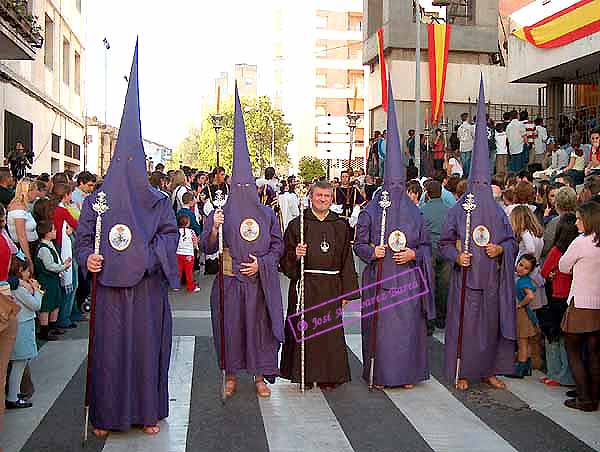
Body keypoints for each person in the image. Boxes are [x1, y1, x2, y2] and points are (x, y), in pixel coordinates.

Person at [75, 45, 180, 435]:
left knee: (144, 350)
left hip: (147, 292)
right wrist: (88, 259)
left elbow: (170, 237)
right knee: (109, 353)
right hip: (110, 294)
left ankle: (147, 411)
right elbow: (84, 239)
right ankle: (106, 416)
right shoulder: (98, 200)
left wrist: (147, 260)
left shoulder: (158, 202)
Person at [200, 86, 284, 398]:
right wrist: (213, 230)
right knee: (231, 331)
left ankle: (260, 376)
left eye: (249, 183)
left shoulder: (266, 212)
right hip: (230, 283)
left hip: (257, 284)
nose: (244, 188)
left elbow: (277, 247)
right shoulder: (219, 211)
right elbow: (207, 248)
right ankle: (231, 374)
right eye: (239, 184)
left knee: (258, 333)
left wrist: (261, 264)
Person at [353, 81, 435, 388]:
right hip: (379, 281)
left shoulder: (415, 213)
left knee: (406, 334)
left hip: (407, 283)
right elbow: (359, 243)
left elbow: (427, 246)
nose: (396, 191)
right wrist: (370, 252)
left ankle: (406, 374)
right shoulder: (371, 210)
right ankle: (381, 374)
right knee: (381, 333)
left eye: (400, 186)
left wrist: (415, 254)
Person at [439, 79, 517, 390]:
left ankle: (490, 370)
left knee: (490, 327)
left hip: (492, 281)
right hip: (467, 281)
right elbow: (444, 242)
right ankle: (463, 371)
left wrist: (501, 250)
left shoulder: (498, 211)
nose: (482, 189)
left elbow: (510, 240)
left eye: (487, 185)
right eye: (479, 184)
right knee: (466, 328)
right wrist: (457, 256)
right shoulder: (458, 209)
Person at [280, 180, 358, 389]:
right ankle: (303, 374)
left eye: (327, 196)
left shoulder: (340, 226)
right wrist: (295, 255)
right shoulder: (298, 225)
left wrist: (346, 294)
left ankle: (328, 376)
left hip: (331, 286)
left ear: (331, 199)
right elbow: (284, 260)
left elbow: (346, 261)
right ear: (310, 197)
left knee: (328, 333)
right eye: (319, 196)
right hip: (305, 285)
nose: (323, 199)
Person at [559, 201, 600, 412]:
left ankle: (584, 398)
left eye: (578, 218)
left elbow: (563, 266)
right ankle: (593, 395)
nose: (576, 223)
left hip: (580, 303)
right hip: (597, 304)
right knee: (594, 353)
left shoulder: (581, 242)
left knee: (573, 351)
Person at [539, 213, 577, 387]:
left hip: (556, 295)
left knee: (553, 336)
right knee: (566, 338)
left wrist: (553, 274)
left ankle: (556, 374)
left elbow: (544, 272)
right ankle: (567, 375)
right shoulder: (577, 249)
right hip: (571, 297)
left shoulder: (557, 251)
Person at [6, 254, 41, 409]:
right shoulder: (20, 289)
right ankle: (12, 396)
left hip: (22, 325)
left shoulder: (17, 287)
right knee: (19, 362)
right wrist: (37, 291)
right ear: (20, 270)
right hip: (23, 326)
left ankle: (14, 392)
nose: (29, 274)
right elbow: (35, 305)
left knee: (18, 363)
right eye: (27, 271)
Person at [421, 180, 451, 329]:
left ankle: (429, 321)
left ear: (427, 193)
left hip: (429, 250)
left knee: (429, 284)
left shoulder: (423, 210)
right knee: (444, 285)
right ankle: (442, 318)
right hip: (445, 250)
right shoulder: (449, 210)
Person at [34, 221, 69, 341]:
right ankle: (44, 330)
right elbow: (49, 266)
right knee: (46, 304)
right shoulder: (43, 248)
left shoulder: (49, 244)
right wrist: (63, 267)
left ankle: (53, 326)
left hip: (53, 279)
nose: (55, 231)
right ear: (46, 233)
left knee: (55, 301)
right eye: (53, 230)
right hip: (46, 279)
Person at [513, 254, 539, 378]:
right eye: (521, 264)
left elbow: (530, 296)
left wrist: (520, 305)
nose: (521, 268)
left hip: (522, 314)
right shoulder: (524, 279)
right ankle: (527, 368)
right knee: (526, 342)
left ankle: (519, 369)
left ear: (530, 271)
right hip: (527, 314)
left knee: (522, 342)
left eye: (526, 268)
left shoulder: (523, 281)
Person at [7, 178, 37, 266]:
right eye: (35, 190)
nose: (37, 193)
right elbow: (21, 236)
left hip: (31, 246)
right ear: (29, 191)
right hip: (26, 249)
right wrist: (28, 259)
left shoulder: (23, 207)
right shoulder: (18, 209)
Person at [175, 215, 200, 293]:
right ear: (188, 223)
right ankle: (191, 287)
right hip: (188, 254)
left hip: (178, 253)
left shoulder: (176, 232)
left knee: (178, 271)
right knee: (189, 272)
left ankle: (176, 285)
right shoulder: (191, 232)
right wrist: (197, 249)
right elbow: (195, 242)